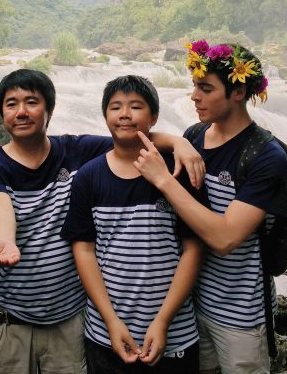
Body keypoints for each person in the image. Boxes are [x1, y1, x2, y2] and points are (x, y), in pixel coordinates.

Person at [0, 69, 205, 374]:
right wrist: (3, 237)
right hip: (9, 320)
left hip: (70, 320)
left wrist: (179, 143)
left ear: (49, 110)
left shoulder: (78, 151)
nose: (22, 112)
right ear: (2, 114)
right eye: (11, 104)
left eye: (32, 102)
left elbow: (128, 136)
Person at [134, 41, 287, 374]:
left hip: (241, 315)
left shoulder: (264, 156)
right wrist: (177, 142)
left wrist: (164, 181)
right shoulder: (195, 136)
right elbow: (140, 136)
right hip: (193, 306)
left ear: (238, 91)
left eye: (205, 88)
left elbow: (225, 239)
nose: (194, 96)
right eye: (194, 86)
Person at [61, 75, 205, 374]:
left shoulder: (177, 171)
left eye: (135, 106)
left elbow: (193, 249)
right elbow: (84, 251)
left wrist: (163, 321)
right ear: (105, 116)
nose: (124, 114)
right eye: (115, 107)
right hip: (105, 333)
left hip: (175, 332)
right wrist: (111, 321)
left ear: (153, 117)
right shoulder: (88, 177)